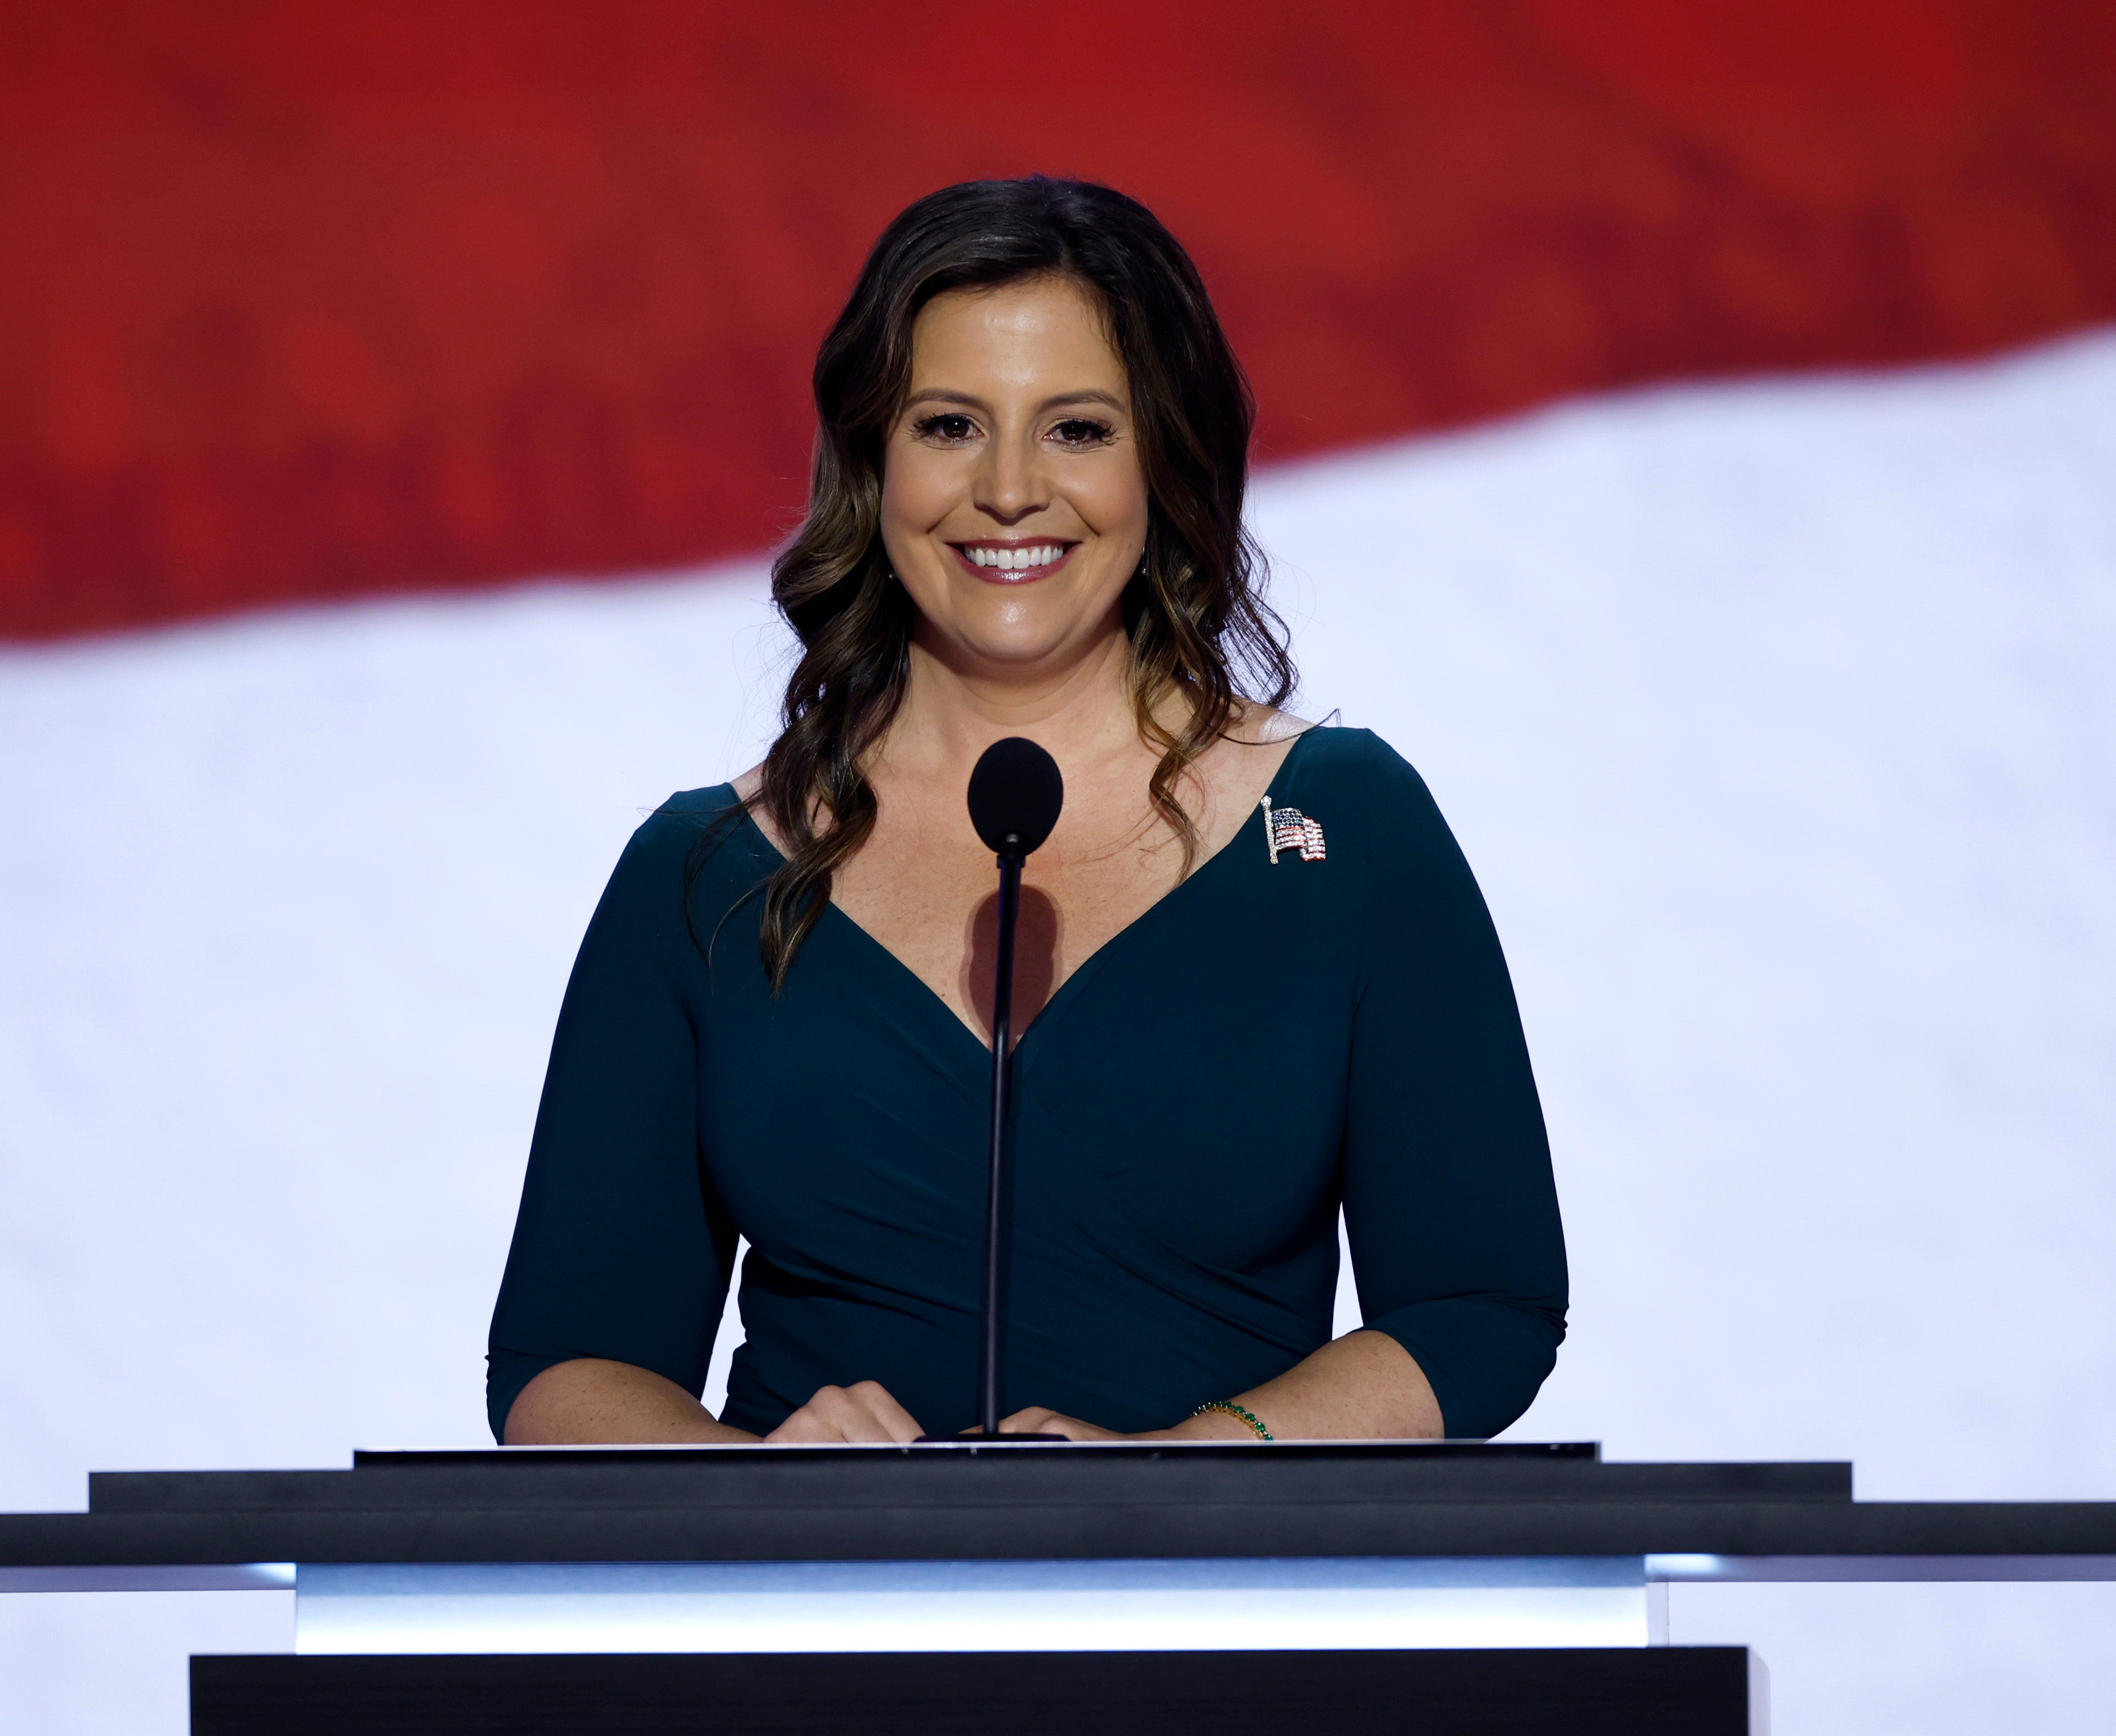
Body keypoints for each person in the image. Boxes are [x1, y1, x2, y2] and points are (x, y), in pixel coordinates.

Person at [487, 177, 1566, 1446]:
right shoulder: (707, 871)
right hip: (808, 1629)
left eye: (1077, 430)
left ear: (1164, 458)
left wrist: (1196, 1467)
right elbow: (565, 1364)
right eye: (948, 424)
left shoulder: (1340, 830)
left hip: (1217, 1626)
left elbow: (1476, 1309)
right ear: (870, 459)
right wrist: (752, 1485)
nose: (1008, 490)